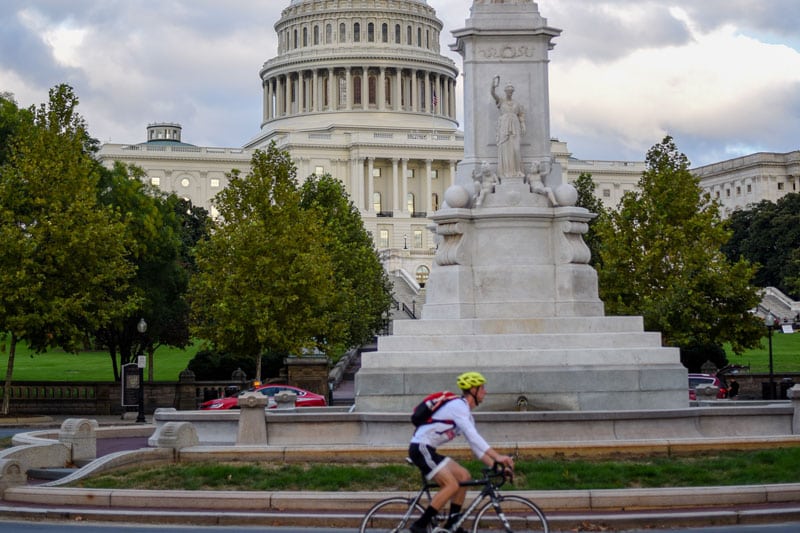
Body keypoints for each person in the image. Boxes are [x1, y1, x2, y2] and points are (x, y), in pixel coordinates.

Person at [408, 371, 515, 533]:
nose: (485, 392)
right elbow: (473, 436)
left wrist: (497, 466)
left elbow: (476, 448)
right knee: (451, 484)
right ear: (473, 390)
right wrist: (498, 456)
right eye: (482, 388)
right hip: (421, 448)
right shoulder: (457, 406)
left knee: (464, 476)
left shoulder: (466, 414)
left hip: (429, 449)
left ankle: (452, 524)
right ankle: (420, 525)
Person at [491, 76, 526, 179]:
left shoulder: (517, 104)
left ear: (513, 92)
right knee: (505, 149)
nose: (509, 92)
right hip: (504, 125)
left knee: (516, 149)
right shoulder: (501, 101)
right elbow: (493, 94)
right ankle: (506, 172)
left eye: (511, 91)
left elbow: (521, 114)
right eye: (508, 91)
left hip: (515, 125)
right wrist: (492, 86)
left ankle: (517, 170)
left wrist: (523, 124)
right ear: (505, 91)